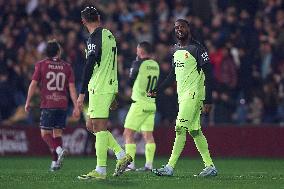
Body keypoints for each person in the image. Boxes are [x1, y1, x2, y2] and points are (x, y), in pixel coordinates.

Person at [149, 19, 218, 177]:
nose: (179, 29)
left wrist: (208, 100)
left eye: (182, 27)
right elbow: (172, 75)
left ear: (189, 29)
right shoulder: (175, 49)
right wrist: (157, 90)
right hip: (183, 96)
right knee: (194, 131)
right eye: (176, 27)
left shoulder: (198, 49)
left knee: (179, 127)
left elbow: (210, 75)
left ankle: (169, 167)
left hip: (194, 94)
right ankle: (210, 166)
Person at [76, 6, 132, 180]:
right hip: (106, 85)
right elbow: (112, 63)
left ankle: (100, 170)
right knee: (90, 125)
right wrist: (114, 91)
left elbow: (90, 62)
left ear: (83, 21)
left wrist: (81, 92)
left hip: (99, 86)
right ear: (98, 18)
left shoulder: (94, 37)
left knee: (99, 128)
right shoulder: (109, 35)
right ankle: (121, 154)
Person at [25, 40, 79, 171]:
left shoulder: (41, 65)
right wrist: (76, 106)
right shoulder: (67, 67)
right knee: (57, 134)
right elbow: (72, 88)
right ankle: (55, 163)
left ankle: (59, 150)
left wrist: (27, 101)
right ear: (58, 52)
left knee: (45, 134)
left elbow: (33, 84)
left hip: (48, 103)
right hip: (62, 104)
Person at [123, 42, 160, 171]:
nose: (136, 52)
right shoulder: (155, 65)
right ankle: (149, 165)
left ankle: (130, 165)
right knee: (148, 136)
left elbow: (129, 82)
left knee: (128, 133)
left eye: (138, 50)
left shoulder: (138, 64)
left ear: (141, 51)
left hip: (139, 103)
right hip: (151, 104)